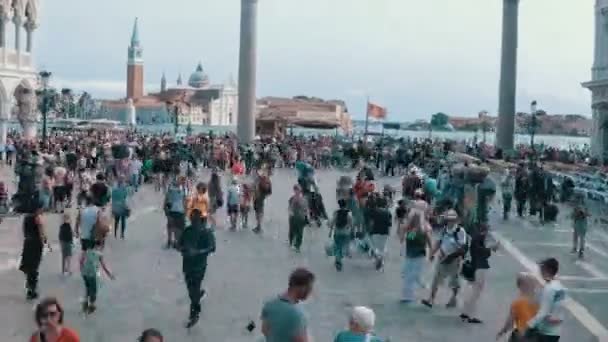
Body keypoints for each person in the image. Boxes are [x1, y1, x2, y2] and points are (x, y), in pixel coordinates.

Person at [422, 209, 467, 309]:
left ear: (455, 220)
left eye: (452, 220)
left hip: (454, 260)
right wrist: (432, 254)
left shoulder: (460, 231)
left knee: (454, 282)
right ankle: (431, 299)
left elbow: (462, 247)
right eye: (448, 219)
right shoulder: (444, 230)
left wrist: (451, 256)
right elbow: (438, 243)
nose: (450, 221)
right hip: (442, 258)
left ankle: (453, 298)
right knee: (436, 279)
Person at [179, 209, 216, 327]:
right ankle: (197, 298)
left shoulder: (206, 232)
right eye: (192, 219)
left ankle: (195, 313)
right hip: (187, 265)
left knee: (194, 288)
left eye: (195, 219)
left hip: (199, 266)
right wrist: (181, 249)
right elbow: (180, 244)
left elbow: (212, 247)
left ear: (200, 219)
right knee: (191, 289)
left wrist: (198, 252)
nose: (193, 221)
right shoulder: (187, 231)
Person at [261, 268, 315, 342]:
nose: (310, 292)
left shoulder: (269, 304)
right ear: (302, 288)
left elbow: (264, 330)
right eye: (310, 288)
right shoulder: (298, 315)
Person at [460, 224, 499, 323]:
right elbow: (482, 253)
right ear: (484, 231)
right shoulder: (479, 238)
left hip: (472, 266)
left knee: (471, 290)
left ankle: (465, 312)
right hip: (480, 267)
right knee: (476, 292)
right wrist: (491, 248)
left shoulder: (473, 238)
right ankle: (471, 315)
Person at [524, 258, 566, 342]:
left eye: (542, 268)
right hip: (555, 331)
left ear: (547, 269)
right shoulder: (560, 287)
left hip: (545, 331)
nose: (540, 271)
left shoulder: (549, 288)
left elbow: (543, 312)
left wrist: (530, 325)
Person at [399, 210, 432, 303]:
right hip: (413, 255)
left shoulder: (424, 228)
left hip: (418, 255)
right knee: (409, 275)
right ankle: (410, 293)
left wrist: (431, 252)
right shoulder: (414, 228)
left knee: (410, 276)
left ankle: (408, 296)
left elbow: (408, 238)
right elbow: (403, 239)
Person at [497, 272, 540, 341]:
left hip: (522, 335)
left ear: (520, 286)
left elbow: (510, 323)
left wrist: (503, 330)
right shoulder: (538, 301)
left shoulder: (517, 303)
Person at [20, 208, 48, 300]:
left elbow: (24, 230)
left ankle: (29, 287)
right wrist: (44, 240)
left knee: (28, 265)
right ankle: (32, 290)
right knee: (34, 266)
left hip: (27, 242)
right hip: (35, 243)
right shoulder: (37, 218)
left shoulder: (26, 217)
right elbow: (41, 231)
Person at [80, 240, 115, 314]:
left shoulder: (87, 251)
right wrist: (110, 275)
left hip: (85, 274)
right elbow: (104, 266)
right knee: (94, 290)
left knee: (87, 288)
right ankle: (92, 305)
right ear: (98, 246)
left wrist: (82, 270)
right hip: (93, 275)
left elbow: (81, 261)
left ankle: (85, 302)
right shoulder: (99, 254)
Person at [369, 196, 392, 270]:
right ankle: (380, 259)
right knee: (382, 247)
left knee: (375, 246)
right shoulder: (388, 212)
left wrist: (371, 230)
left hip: (375, 231)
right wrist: (389, 232)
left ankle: (378, 257)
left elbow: (371, 223)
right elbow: (389, 224)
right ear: (385, 204)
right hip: (384, 232)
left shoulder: (374, 211)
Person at [329, 199, 352, 271]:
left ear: (339, 205)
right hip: (345, 233)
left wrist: (330, 231)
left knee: (337, 246)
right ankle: (341, 258)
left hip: (337, 232)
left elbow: (332, 222)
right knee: (343, 246)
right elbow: (351, 224)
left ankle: (338, 260)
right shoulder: (349, 213)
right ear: (345, 205)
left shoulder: (336, 213)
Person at [164, 176, 187, 249]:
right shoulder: (171, 187)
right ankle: (170, 241)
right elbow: (167, 197)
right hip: (171, 210)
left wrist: (186, 210)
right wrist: (165, 207)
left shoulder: (184, 188)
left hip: (180, 211)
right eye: (181, 180)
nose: (182, 182)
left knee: (178, 228)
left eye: (183, 181)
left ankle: (177, 242)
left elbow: (185, 200)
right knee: (170, 226)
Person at [288, 185, 309, 253]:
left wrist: (306, 217)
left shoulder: (304, 199)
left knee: (300, 233)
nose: (297, 191)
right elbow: (290, 208)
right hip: (293, 218)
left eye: (298, 190)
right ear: (294, 190)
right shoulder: (292, 198)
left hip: (300, 218)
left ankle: (297, 247)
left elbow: (306, 209)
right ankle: (292, 244)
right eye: (296, 190)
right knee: (292, 232)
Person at [253, 168, 272, 233]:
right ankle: (259, 226)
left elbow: (254, 188)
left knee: (258, 212)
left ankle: (259, 227)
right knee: (260, 211)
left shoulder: (259, 179)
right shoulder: (267, 180)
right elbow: (269, 192)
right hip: (261, 197)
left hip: (258, 197)